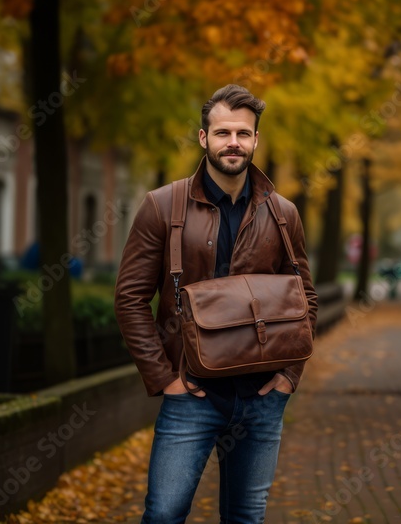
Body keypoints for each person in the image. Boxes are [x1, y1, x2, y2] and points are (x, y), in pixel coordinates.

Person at [114, 84, 318, 523]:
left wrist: (288, 375)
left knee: (246, 518)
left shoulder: (284, 213)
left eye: (244, 134)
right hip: (191, 394)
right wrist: (163, 378)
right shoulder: (162, 206)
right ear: (203, 138)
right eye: (223, 132)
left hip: (263, 395)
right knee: (165, 514)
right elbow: (130, 299)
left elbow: (306, 296)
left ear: (256, 141)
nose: (234, 143)